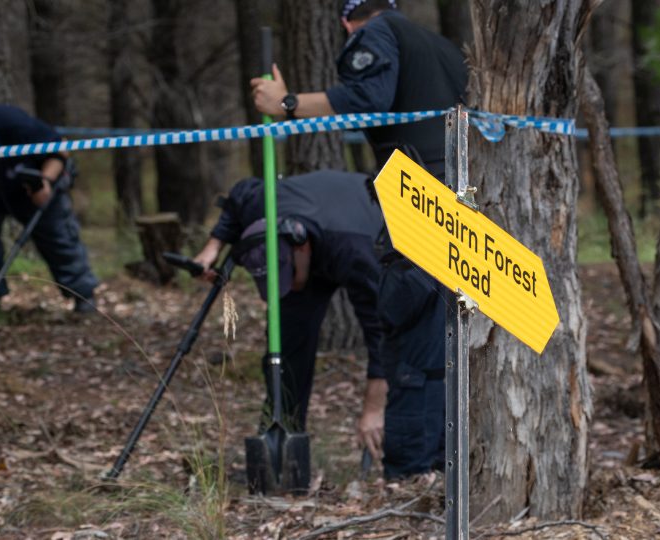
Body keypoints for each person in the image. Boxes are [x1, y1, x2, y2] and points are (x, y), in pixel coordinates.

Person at [251, 0, 468, 478]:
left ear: (347, 21)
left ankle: (413, 471)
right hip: (463, 198)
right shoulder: (444, 48)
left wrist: (287, 104)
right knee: (446, 335)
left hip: (421, 196)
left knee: (412, 331)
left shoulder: (375, 35)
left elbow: (366, 97)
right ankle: (443, 464)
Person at [194, 170, 387, 459]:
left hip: (361, 228)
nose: (288, 285)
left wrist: (373, 409)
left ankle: (404, 448)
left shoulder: (358, 251)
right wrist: (212, 248)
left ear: (302, 246)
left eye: (289, 275)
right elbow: (240, 193)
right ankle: (282, 440)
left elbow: (383, 333)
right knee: (285, 344)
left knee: (405, 346)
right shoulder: (259, 205)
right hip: (311, 248)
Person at [0, 104, 98, 312]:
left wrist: (46, 180)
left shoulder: (14, 125)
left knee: (58, 235)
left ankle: (83, 294)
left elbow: (60, 149)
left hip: (33, 186)